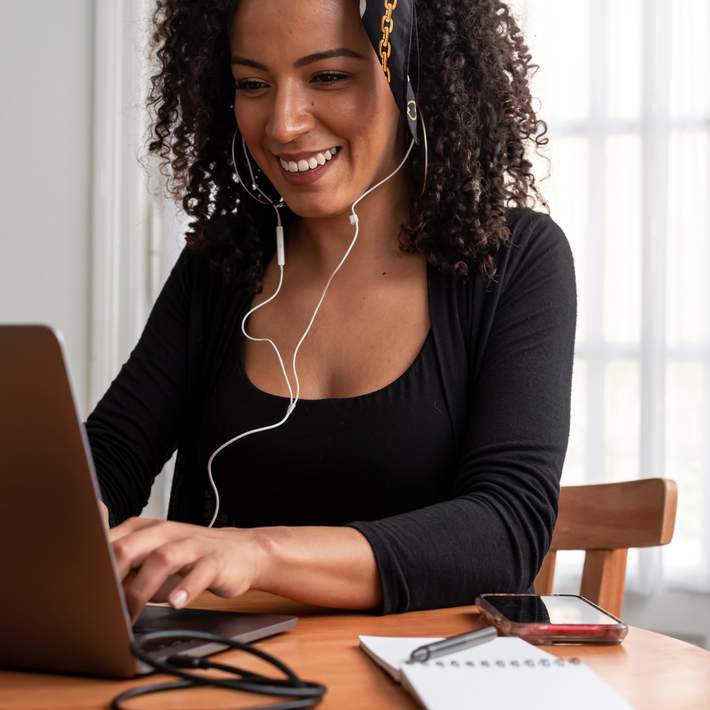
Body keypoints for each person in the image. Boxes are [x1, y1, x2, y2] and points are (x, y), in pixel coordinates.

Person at [87, 0, 577, 624]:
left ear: (411, 75)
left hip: (414, 681)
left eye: (329, 77)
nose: (284, 124)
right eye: (253, 84)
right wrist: (59, 516)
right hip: (220, 680)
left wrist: (259, 552)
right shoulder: (221, 267)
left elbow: (504, 532)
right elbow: (108, 459)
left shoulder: (511, 262)